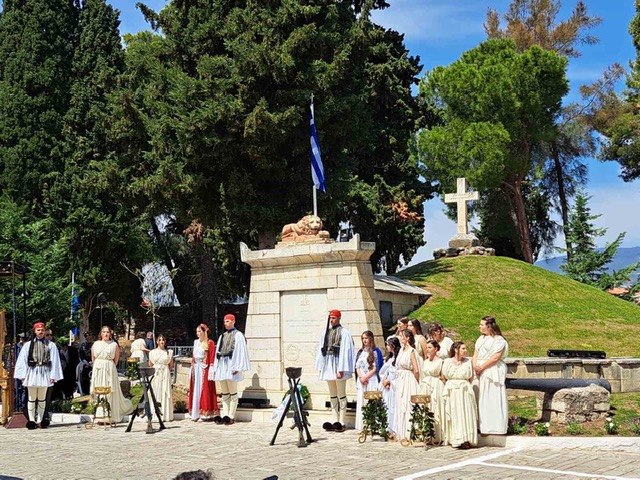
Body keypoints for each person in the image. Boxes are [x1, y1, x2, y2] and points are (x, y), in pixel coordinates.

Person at [14, 322, 64, 429]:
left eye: (42, 330)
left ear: (45, 331)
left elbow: (55, 360)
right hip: (32, 372)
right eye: (38, 330)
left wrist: (53, 375)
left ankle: (40, 420)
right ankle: (32, 420)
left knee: (42, 398)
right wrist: (22, 375)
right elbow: (23, 360)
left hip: (44, 372)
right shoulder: (28, 345)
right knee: (31, 398)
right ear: (35, 331)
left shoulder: (51, 345)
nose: (40, 332)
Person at [315, 309, 355, 432]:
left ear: (339, 318)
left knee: (341, 394)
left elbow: (346, 351)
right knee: (332, 394)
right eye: (330, 318)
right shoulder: (325, 332)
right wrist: (321, 366)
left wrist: (341, 368)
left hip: (338, 364)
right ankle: (334, 420)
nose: (331, 320)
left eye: (333, 318)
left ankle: (341, 421)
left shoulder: (344, 332)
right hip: (328, 365)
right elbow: (321, 350)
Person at [209, 313, 251, 425]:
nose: (225, 323)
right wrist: (216, 367)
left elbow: (240, 351)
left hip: (231, 365)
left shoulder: (238, 335)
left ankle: (231, 416)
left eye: (227, 321)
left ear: (233, 321)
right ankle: (225, 415)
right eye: (224, 321)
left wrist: (237, 366)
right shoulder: (222, 336)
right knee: (224, 393)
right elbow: (218, 352)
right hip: (222, 365)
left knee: (233, 392)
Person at [473, 315, 509, 435]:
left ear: (489, 326)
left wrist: (482, 367)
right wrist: (475, 366)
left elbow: (495, 357)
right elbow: (475, 354)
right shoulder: (480, 339)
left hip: (491, 370)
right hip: (479, 370)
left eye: (482, 324)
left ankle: (495, 426)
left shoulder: (499, 340)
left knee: (492, 397)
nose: (479, 326)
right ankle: (483, 426)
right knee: (481, 398)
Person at [90, 326, 133, 423]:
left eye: (107, 332)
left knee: (110, 390)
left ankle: (110, 413)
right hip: (99, 368)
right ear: (101, 333)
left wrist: (109, 366)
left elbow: (116, 359)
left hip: (109, 368)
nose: (105, 334)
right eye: (104, 332)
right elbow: (93, 358)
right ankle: (100, 414)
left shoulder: (114, 345)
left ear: (110, 334)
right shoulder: (96, 344)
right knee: (99, 390)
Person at [442, 341, 477, 449]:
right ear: (456, 350)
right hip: (452, 390)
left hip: (464, 390)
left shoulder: (468, 362)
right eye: (463, 348)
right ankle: (456, 439)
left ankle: (466, 439)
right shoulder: (447, 361)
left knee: (465, 413)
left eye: (465, 348)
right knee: (454, 413)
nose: (465, 351)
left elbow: (471, 377)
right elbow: (444, 377)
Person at [188, 323, 218, 421]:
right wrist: (192, 366)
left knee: (204, 389)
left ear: (204, 332)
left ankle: (205, 412)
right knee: (195, 389)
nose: (198, 333)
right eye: (197, 331)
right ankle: (196, 412)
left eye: (199, 331)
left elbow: (212, 356)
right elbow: (194, 356)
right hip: (196, 367)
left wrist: (211, 368)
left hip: (204, 368)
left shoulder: (209, 343)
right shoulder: (196, 342)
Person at [394, 330, 420, 442]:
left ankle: (411, 431)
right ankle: (402, 431)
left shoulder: (411, 351)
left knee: (408, 404)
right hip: (400, 379)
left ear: (407, 338)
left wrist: (416, 381)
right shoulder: (401, 350)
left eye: (401, 336)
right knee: (401, 404)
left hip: (408, 379)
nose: (400, 338)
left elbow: (416, 369)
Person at [419, 339, 446, 444]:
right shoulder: (425, 362)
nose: (427, 350)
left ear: (436, 349)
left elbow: (443, 377)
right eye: (427, 348)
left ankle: (437, 435)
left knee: (436, 408)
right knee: (426, 408)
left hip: (436, 385)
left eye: (430, 347)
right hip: (425, 385)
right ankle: (427, 433)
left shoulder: (440, 361)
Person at [354, 330, 380, 431]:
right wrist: (361, 377)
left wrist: (366, 377)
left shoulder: (375, 351)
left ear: (371, 339)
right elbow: (357, 366)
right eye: (363, 338)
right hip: (362, 380)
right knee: (362, 401)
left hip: (371, 379)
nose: (364, 340)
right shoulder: (361, 352)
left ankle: (372, 424)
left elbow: (375, 368)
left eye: (366, 338)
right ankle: (363, 424)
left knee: (371, 400)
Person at [149, 334, 174, 422]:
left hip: (165, 373)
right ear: (157, 341)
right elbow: (150, 364)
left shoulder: (169, 352)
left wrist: (165, 371)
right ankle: (154, 413)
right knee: (156, 392)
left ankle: (165, 414)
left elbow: (171, 365)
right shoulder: (152, 352)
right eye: (159, 340)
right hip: (156, 373)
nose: (161, 341)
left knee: (164, 392)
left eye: (163, 340)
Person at [378, 336, 400, 438]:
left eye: (388, 345)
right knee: (388, 406)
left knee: (394, 406)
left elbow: (397, 373)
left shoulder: (397, 359)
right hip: (388, 386)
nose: (386, 347)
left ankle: (395, 428)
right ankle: (388, 427)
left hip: (394, 386)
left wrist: (390, 381)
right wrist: (384, 380)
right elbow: (383, 371)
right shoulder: (390, 359)